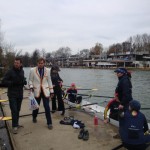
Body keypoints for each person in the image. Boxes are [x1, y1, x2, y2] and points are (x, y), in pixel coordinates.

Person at [2, 57, 27, 134]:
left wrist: (24, 81)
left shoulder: (22, 71)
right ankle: (14, 126)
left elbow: (21, 80)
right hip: (12, 94)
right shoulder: (10, 71)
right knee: (14, 110)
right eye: (15, 62)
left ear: (21, 64)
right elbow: (3, 81)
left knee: (18, 109)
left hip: (20, 94)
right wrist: (12, 82)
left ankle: (16, 123)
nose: (16, 64)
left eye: (17, 63)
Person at [28, 58, 54, 129]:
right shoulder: (32, 70)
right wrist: (31, 87)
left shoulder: (48, 70)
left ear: (44, 63)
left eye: (42, 63)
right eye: (39, 63)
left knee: (47, 107)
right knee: (36, 107)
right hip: (36, 91)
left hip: (45, 91)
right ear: (37, 63)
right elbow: (30, 80)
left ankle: (49, 123)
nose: (40, 64)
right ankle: (34, 116)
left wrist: (52, 91)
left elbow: (49, 81)